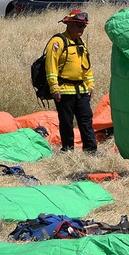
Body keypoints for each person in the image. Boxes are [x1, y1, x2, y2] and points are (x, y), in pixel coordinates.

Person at [44, 9, 96, 153]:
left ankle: (91, 150)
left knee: (86, 121)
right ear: (69, 24)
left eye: (84, 26)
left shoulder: (81, 44)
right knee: (66, 122)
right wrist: (54, 87)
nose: (82, 29)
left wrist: (90, 85)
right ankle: (68, 150)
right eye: (79, 26)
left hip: (81, 90)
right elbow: (51, 66)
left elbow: (86, 67)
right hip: (64, 90)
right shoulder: (58, 42)